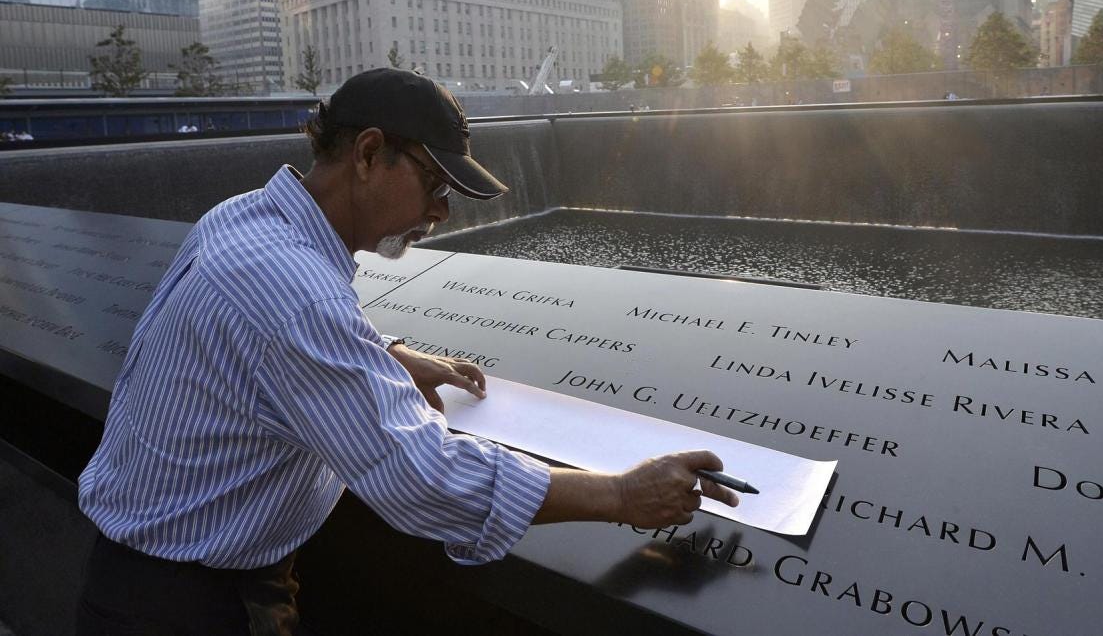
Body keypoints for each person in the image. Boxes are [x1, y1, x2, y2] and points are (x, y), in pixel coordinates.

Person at [75, 67, 736, 634]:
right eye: (435, 185)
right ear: (367, 154)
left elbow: (266, 344)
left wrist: (384, 352)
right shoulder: (296, 292)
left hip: (135, 573)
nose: (441, 213)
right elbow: (422, 477)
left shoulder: (245, 217)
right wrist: (620, 494)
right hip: (194, 606)